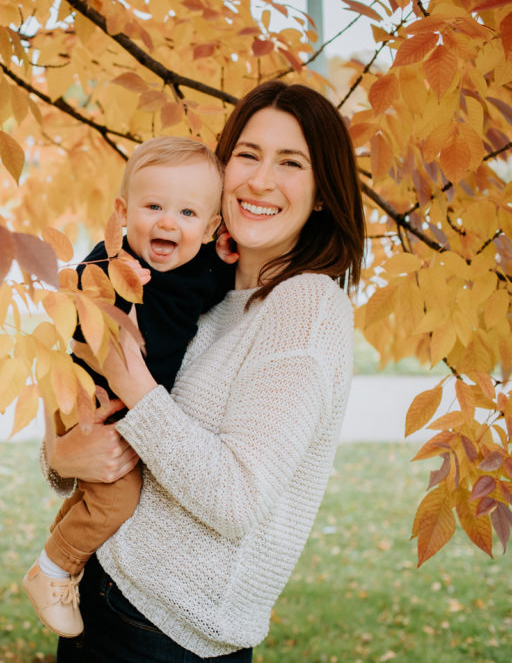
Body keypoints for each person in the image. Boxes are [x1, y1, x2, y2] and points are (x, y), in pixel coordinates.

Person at [40, 80, 366, 661]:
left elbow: (238, 501)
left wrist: (134, 385)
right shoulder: (202, 288)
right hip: (107, 595)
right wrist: (59, 458)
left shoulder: (306, 307)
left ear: (320, 194)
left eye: (291, 163)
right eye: (247, 154)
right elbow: (102, 416)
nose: (261, 180)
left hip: (168, 635)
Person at [22, 136, 235, 638]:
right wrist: (110, 281)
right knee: (117, 500)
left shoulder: (203, 269)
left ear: (208, 228)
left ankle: (61, 552)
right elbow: (72, 303)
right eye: (153, 206)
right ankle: (53, 569)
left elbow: (223, 279)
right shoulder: (109, 264)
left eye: (187, 213)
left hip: (124, 408)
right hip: (88, 399)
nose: (167, 222)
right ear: (122, 213)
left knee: (99, 496)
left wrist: (227, 252)